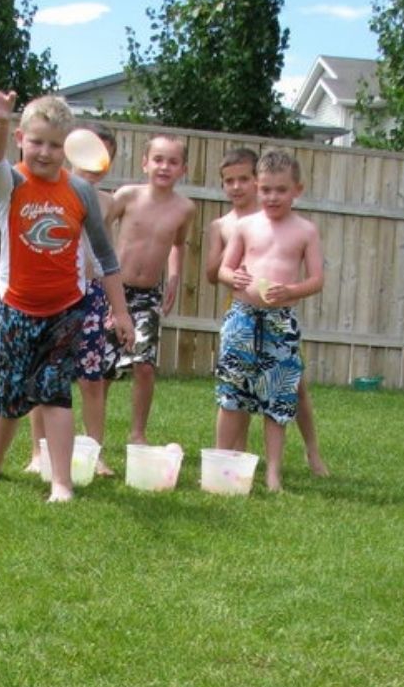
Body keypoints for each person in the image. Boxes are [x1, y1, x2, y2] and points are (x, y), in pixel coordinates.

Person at [0, 82, 134, 502]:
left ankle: (60, 481)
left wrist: (122, 313)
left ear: (69, 150)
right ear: (22, 140)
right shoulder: (10, 184)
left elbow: (106, 257)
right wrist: (1, 120)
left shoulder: (79, 191)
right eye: (37, 142)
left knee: (56, 393)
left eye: (55, 145)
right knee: (9, 392)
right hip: (17, 307)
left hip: (67, 308)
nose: (45, 152)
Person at [206, 146, 330, 476]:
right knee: (232, 391)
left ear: (297, 191)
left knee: (278, 396)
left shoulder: (305, 230)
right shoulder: (246, 226)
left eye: (281, 190)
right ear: (257, 188)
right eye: (265, 190)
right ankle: (220, 464)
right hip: (242, 316)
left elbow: (317, 280)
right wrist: (233, 275)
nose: (272, 197)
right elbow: (222, 270)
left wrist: (291, 291)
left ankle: (273, 471)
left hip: (280, 321)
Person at [26, 124, 119, 477]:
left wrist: (116, 305)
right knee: (45, 375)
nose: (96, 161)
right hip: (54, 292)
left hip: (92, 294)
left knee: (91, 379)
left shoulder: (109, 202)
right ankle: (38, 452)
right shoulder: (49, 194)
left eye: (105, 154)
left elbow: (107, 256)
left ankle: (94, 453)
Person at [108, 134, 196, 443]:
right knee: (105, 368)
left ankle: (137, 434)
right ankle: (95, 436)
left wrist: (174, 276)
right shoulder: (128, 196)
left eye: (173, 162)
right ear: (145, 163)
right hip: (114, 291)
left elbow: (178, 244)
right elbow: (100, 228)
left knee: (144, 365)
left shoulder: (185, 208)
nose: (164, 167)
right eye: (158, 159)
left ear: (183, 169)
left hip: (148, 295)